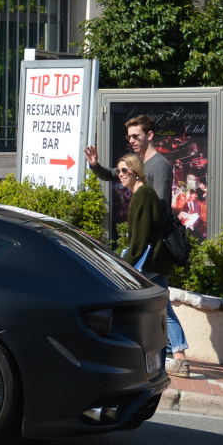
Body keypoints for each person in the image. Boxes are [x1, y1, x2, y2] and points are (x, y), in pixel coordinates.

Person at [116, 153, 190, 378]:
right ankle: (178, 357)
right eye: (119, 171)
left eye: (125, 171)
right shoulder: (141, 193)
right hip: (154, 260)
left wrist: (126, 263)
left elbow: (141, 235)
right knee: (163, 308)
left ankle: (141, 352)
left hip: (149, 260)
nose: (120, 175)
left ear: (136, 171)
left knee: (132, 304)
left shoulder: (144, 194)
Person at [85, 114, 172, 208]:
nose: (131, 141)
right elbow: (110, 174)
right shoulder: (137, 162)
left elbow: (161, 207)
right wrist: (94, 165)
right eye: (129, 137)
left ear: (149, 135)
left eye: (135, 136)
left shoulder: (159, 165)